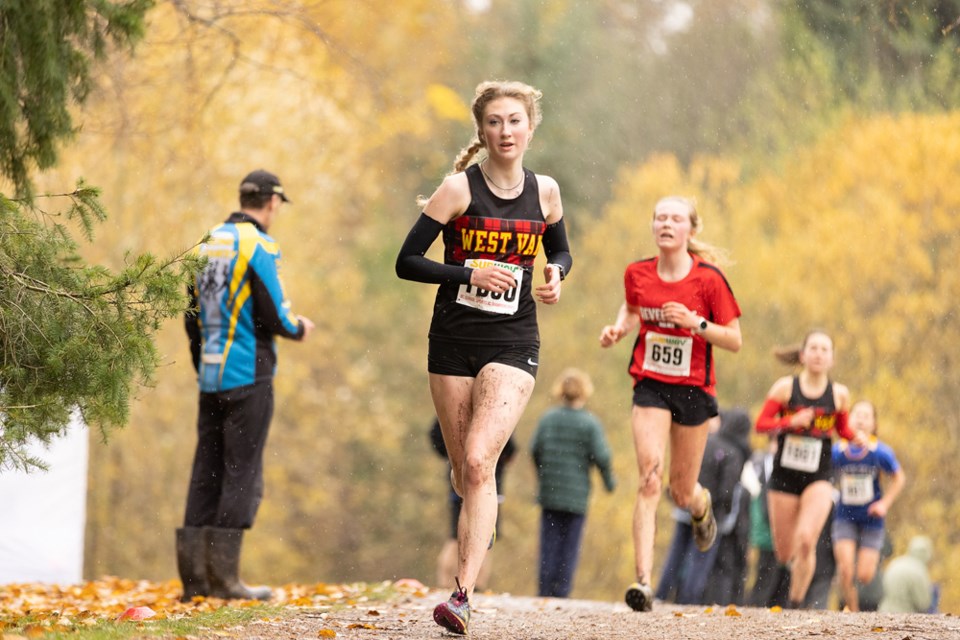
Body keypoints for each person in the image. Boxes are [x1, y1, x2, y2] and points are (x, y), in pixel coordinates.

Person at [395, 80, 571, 635]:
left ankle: (462, 596)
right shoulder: (457, 191)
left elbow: (561, 248)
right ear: (482, 130)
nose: (505, 131)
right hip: (451, 342)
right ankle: (474, 520)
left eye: (515, 121)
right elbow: (407, 261)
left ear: (530, 127)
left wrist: (555, 274)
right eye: (495, 122)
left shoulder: (545, 192)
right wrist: (468, 273)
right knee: (461, 471)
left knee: (478, 462)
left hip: (514, 341)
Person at [598, 196, 742, 612]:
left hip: (695, 390)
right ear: (653, 227)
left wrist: (696, 324)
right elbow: (631, 308)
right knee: (649, 477)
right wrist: (618, 329)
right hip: (650, 385)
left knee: (681, 492)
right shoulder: (638, 273)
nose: (666, 223)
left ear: (690, 231)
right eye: (660, 217)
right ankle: (642, 582)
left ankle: (702, 505)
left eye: (675, 218)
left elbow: (734, 339)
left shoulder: (709, 280)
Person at [179, 169, 315, 602]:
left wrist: (202, 362)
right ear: (272, 201)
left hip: (211, 375)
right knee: (242, 473)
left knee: (206, 471)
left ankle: (195, 582)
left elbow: (188, 314)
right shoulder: (259, 245)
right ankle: (226, 582)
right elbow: (275, 312)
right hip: (249, 374)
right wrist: (299, 328)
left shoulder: (205, 242)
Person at [754, 330, 859, 609]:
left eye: (825, 349)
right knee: (784, 551)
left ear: (832, 359)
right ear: (802, 355)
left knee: (805, 541)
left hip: (820, 475)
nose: (818, 353)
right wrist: (790, 422)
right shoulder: (785, 389)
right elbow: (761, 424)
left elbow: (843, 428)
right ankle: (793, 590)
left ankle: (795, 604)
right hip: (784, 476)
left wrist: (855, 438)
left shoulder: (839, 395)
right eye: (813, 348)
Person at [530, 368, 616, 598]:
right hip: (576, 497)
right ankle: (562, 593)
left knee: (548, 544)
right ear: (584, 392)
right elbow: (603, 457)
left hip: (549, 493)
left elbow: (535, 449)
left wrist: (543, 476)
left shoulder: (548, 418)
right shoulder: (589, 424)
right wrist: (609, 483)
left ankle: (544, 592)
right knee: (569, 547)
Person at [831, 400, 906, 611]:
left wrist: (885, 503)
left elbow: (899, 478)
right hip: (844, 515)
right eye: (857, 414)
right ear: (848, 420)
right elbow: (824, 475)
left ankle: (856, 602)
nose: (861, 420)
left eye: (866, 416)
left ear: (874, 424)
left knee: (864, 575)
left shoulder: (880, 452)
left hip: (872, 518)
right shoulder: (838, 451)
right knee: (845, 569)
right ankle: (853, 612)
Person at [429, 418, 517, 591]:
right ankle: (475, 587)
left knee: (455, 537)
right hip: (489, 486)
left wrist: (451, 453)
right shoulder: (494, 407)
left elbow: (436, 434)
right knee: (484, 539)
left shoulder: (458, 404)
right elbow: (510, 447)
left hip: (459, 480)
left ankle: (445, 585)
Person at [878, 535, 935, 613]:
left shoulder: (896, 562)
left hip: (884, 611)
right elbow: (923, 603)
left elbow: (882, 588)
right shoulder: (919, 570)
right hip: (905, 615)